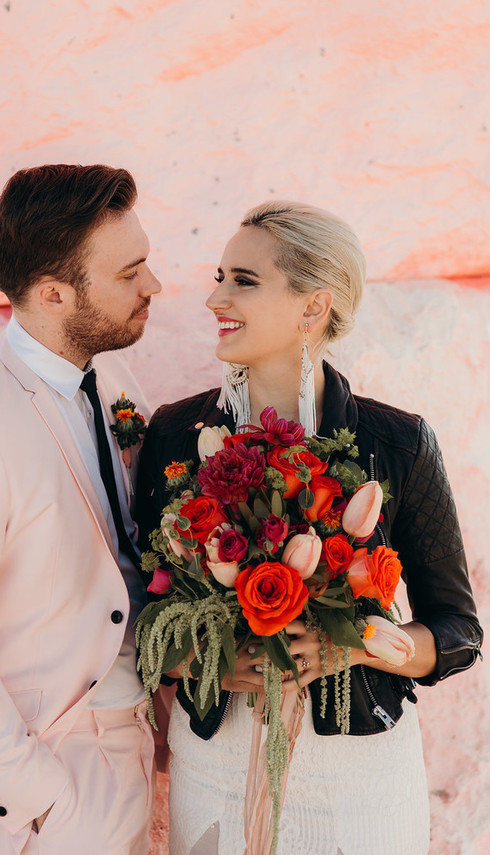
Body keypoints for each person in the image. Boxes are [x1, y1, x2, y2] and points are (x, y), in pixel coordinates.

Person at [136, 201, 483, 855]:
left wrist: (353, 648)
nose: (214, 297)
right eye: (219, 275)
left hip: (360, 777)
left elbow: (458, 630)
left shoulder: (398, 441)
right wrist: (201, 658)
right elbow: (133, 619)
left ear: (312, 307)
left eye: (243, 279)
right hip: (212, 767)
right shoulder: (174, 435)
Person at [0, 163, 162, 855]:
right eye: (130, 272)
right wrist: (42, 795)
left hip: (132, 752)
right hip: (43, 793)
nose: (154, 285)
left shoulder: (111, 377)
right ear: (54, 293)